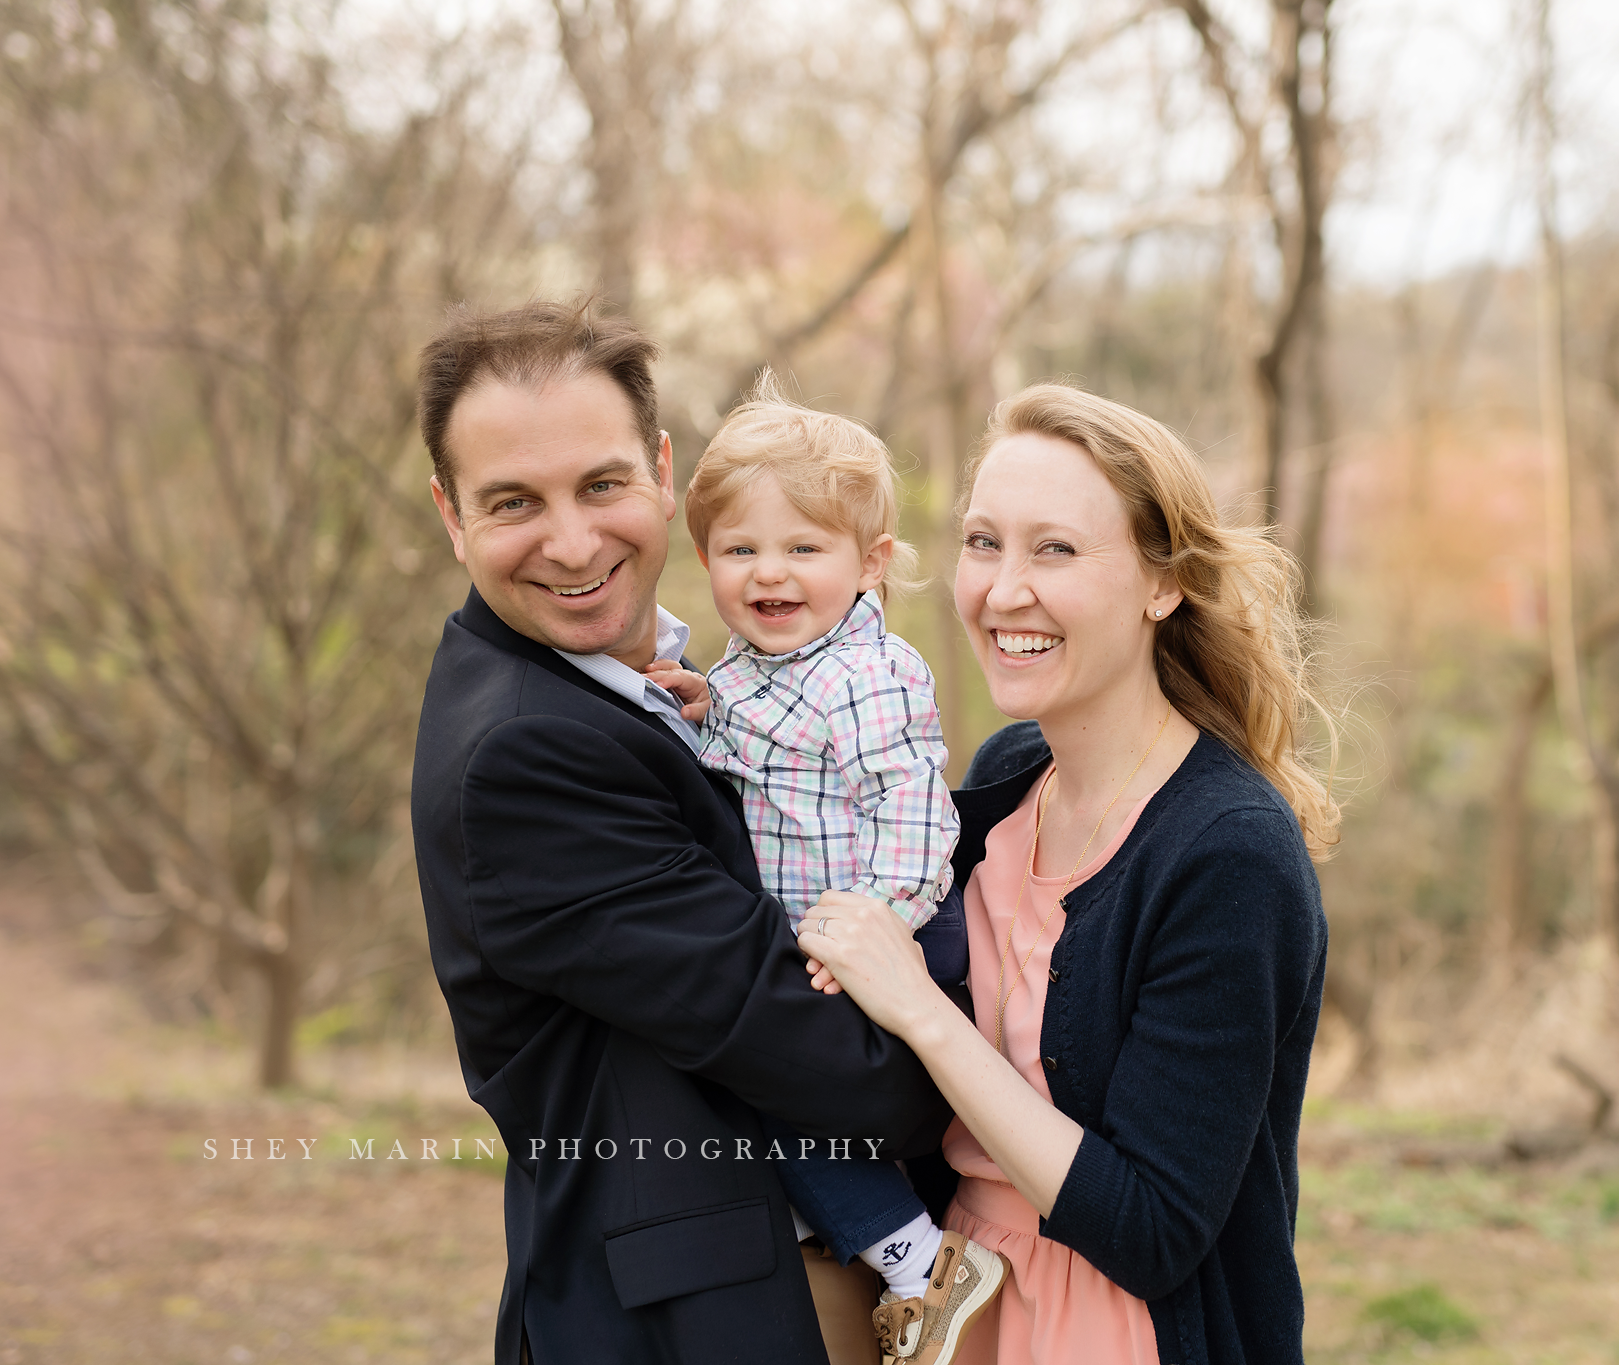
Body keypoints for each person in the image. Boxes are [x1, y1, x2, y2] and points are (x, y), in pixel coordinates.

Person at [409, 298, 952, 1365]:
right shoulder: (522, 759)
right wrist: (1014, 1073)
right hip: (691, 1327)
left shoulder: (673, 681)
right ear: (450, 514)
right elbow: (824, 1061)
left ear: (661, 472)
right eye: (514, 501)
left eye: (602, 484)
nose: (573, 541)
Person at [795, 383, 1338, 1365]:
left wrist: (922, 1013)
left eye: (1055, 550)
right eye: (981, 542)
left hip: (1119, 1331)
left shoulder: (1226, 854)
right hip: (951, 1309)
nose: (1003, 591)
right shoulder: (1008, 776)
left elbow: (1152, 1228)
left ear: (1160, 583)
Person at [647, 385, 1007, 1364]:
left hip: (892, 922)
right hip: (834, 929)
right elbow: (769, 745)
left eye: (803, 549)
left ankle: (921, 1264)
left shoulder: (867, 675)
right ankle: (865, 1230)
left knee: (781, 1095)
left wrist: (878, 930)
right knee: (787, 1101)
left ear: (870, 564)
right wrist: (705, 706)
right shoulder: (764, 663)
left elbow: (914, 810)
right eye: (739, 550)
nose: (769, 573)